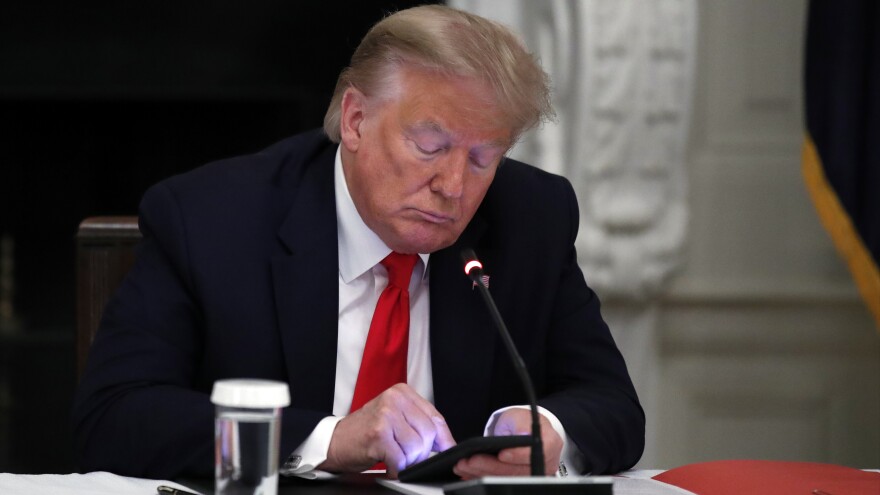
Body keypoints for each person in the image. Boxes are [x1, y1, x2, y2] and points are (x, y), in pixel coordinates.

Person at [72, 4, 644, 481]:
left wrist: (545, 431)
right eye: (429, 145)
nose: (453, 186)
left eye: (482, 158)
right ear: (355, 119)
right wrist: (329, 439)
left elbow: (613, 406)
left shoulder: (530, 218)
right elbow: (114, 418)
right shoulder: (212, 220)